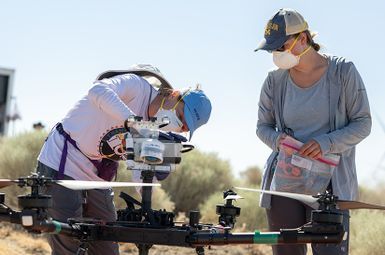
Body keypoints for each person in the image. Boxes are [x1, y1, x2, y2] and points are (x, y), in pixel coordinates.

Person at [36, 64, 212, 255]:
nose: (177, 125)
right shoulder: (137, 87)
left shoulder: (154, 129)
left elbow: (140, 174)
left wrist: (149, 208)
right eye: (179, 116)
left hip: (96, 175)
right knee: (67, 242)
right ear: (173, 95)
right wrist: (133, 121)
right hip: (63, 160)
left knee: (107, 245)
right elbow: (97, 90)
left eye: (183, 127)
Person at [255, 8, 371, 255]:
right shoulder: (274, 81)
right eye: (272, 49)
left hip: (331, 186)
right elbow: (262, 127)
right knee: (287, 251)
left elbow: (363, 123)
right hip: (285, 183)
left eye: (281, 47)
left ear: (303, 40)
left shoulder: (343, 73)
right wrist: (279, 140)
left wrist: (326, 143)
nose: (276, 55)